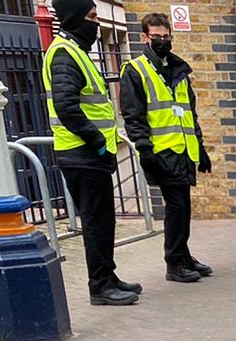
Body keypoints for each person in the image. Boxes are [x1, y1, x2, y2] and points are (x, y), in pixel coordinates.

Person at [46, 0, 139, 306]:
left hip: (89, 155)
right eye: (91, 17)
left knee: (103, 220)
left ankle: (108, 276)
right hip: (81, 154)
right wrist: (98, 140)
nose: (96, 24)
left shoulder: (75, 51)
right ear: (74, 17)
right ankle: (100, 285)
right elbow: (67, 107)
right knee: (96, 222)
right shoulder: (64, 54)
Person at [120, 11, 213, 283]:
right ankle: (174, 263)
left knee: (183, 205)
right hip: (161, 152)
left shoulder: (177, 70)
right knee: (176, 206)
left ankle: (183, 255)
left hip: (183, 150)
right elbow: (133, 115)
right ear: (144, 37)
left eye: (166, 36)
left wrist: (201, 147)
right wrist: (144, 149)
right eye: (157, 36)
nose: (162, 41)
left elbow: (188, 112)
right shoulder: (136, 70)